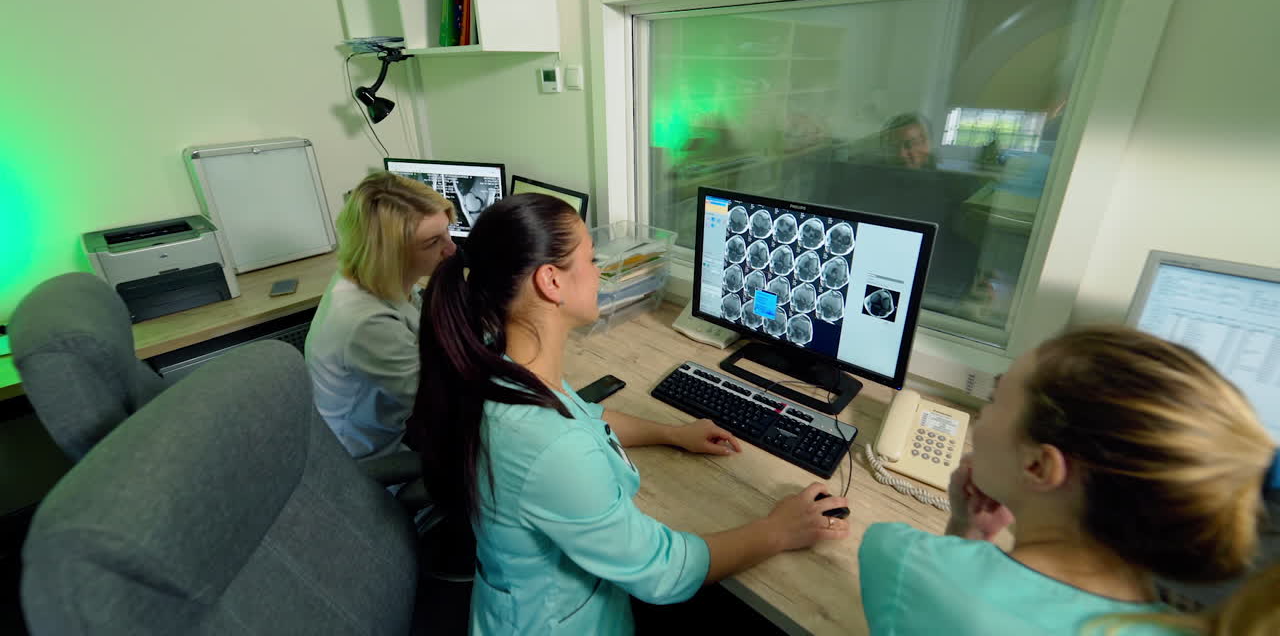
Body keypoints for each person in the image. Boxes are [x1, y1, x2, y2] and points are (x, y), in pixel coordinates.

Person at [409, 193, 850, 635]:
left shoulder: (503, 366)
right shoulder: (547, 443)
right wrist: (778, 530)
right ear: (551, 281)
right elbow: (663, 571)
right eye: (591, 259)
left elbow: (583, 414)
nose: (599, 271)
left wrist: (671, 433)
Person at [858, 325, 1276, 635]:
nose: (979, 418)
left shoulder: (900, 558)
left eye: (994, 401)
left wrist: (965, 532)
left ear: (1039, 467)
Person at [304, 171, 456, 461]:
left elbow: (421, 321)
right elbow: (440, 402)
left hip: (395, 418)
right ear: (390, 254)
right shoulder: (365, 321)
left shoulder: (373, 274)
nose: (451, 248)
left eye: (447, 231)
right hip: (368, 455)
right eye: (432, 242)